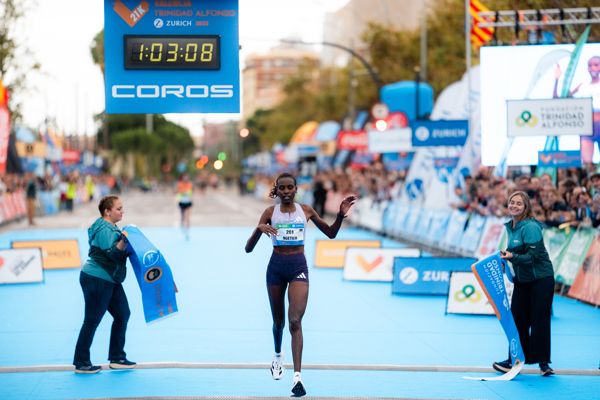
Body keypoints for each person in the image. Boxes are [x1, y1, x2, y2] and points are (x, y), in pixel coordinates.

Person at [245, 172, 356, 397]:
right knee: (278, 323)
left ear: (296, 189)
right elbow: (248, 249)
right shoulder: (270, 213)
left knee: (295, 321)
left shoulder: (305, 210)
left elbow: (331, 234)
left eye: (290, 187)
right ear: (277, 190)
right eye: (282, 188)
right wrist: (259, 229)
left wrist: (340, 215)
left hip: (298, 268)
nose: (286, 191)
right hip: (276, 269)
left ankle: (297, 377)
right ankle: (278, 356)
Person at [493, 191, 555, 377]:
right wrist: (505, 259)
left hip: (541, 279)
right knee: (518, 321)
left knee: (540, 321)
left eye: (519, 203)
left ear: (526, 207)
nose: (514, 206)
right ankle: (514, 360)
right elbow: (515, 252)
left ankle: (544, 364)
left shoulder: (531, 227)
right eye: (512, 202)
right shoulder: (511, 226)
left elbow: (532, 256)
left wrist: (512, 256)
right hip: (522, 280)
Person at [73, 195, 136, 373]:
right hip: (97, 279)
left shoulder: (109, 227)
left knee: (123, 314)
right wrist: (124, 240)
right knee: (92, 321)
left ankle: (117, 358)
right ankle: (81, 362)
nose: (122, 212)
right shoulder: (104, 229)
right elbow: (113, 254)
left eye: (122, 208)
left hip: (109, 279)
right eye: (118, 209)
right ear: (107, 212)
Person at [176, 173, 193, 240]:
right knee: (183, 217)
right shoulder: (179, 184)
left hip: (188, 202)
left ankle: (187, 231)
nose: (185, 178)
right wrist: (184, 192)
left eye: (186, 177)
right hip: (182, 202)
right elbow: (179, 192)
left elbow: (190, 192)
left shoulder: (190, 184)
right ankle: (182, 226)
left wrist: (188, 193)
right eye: (184, 177)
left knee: (187, 217)